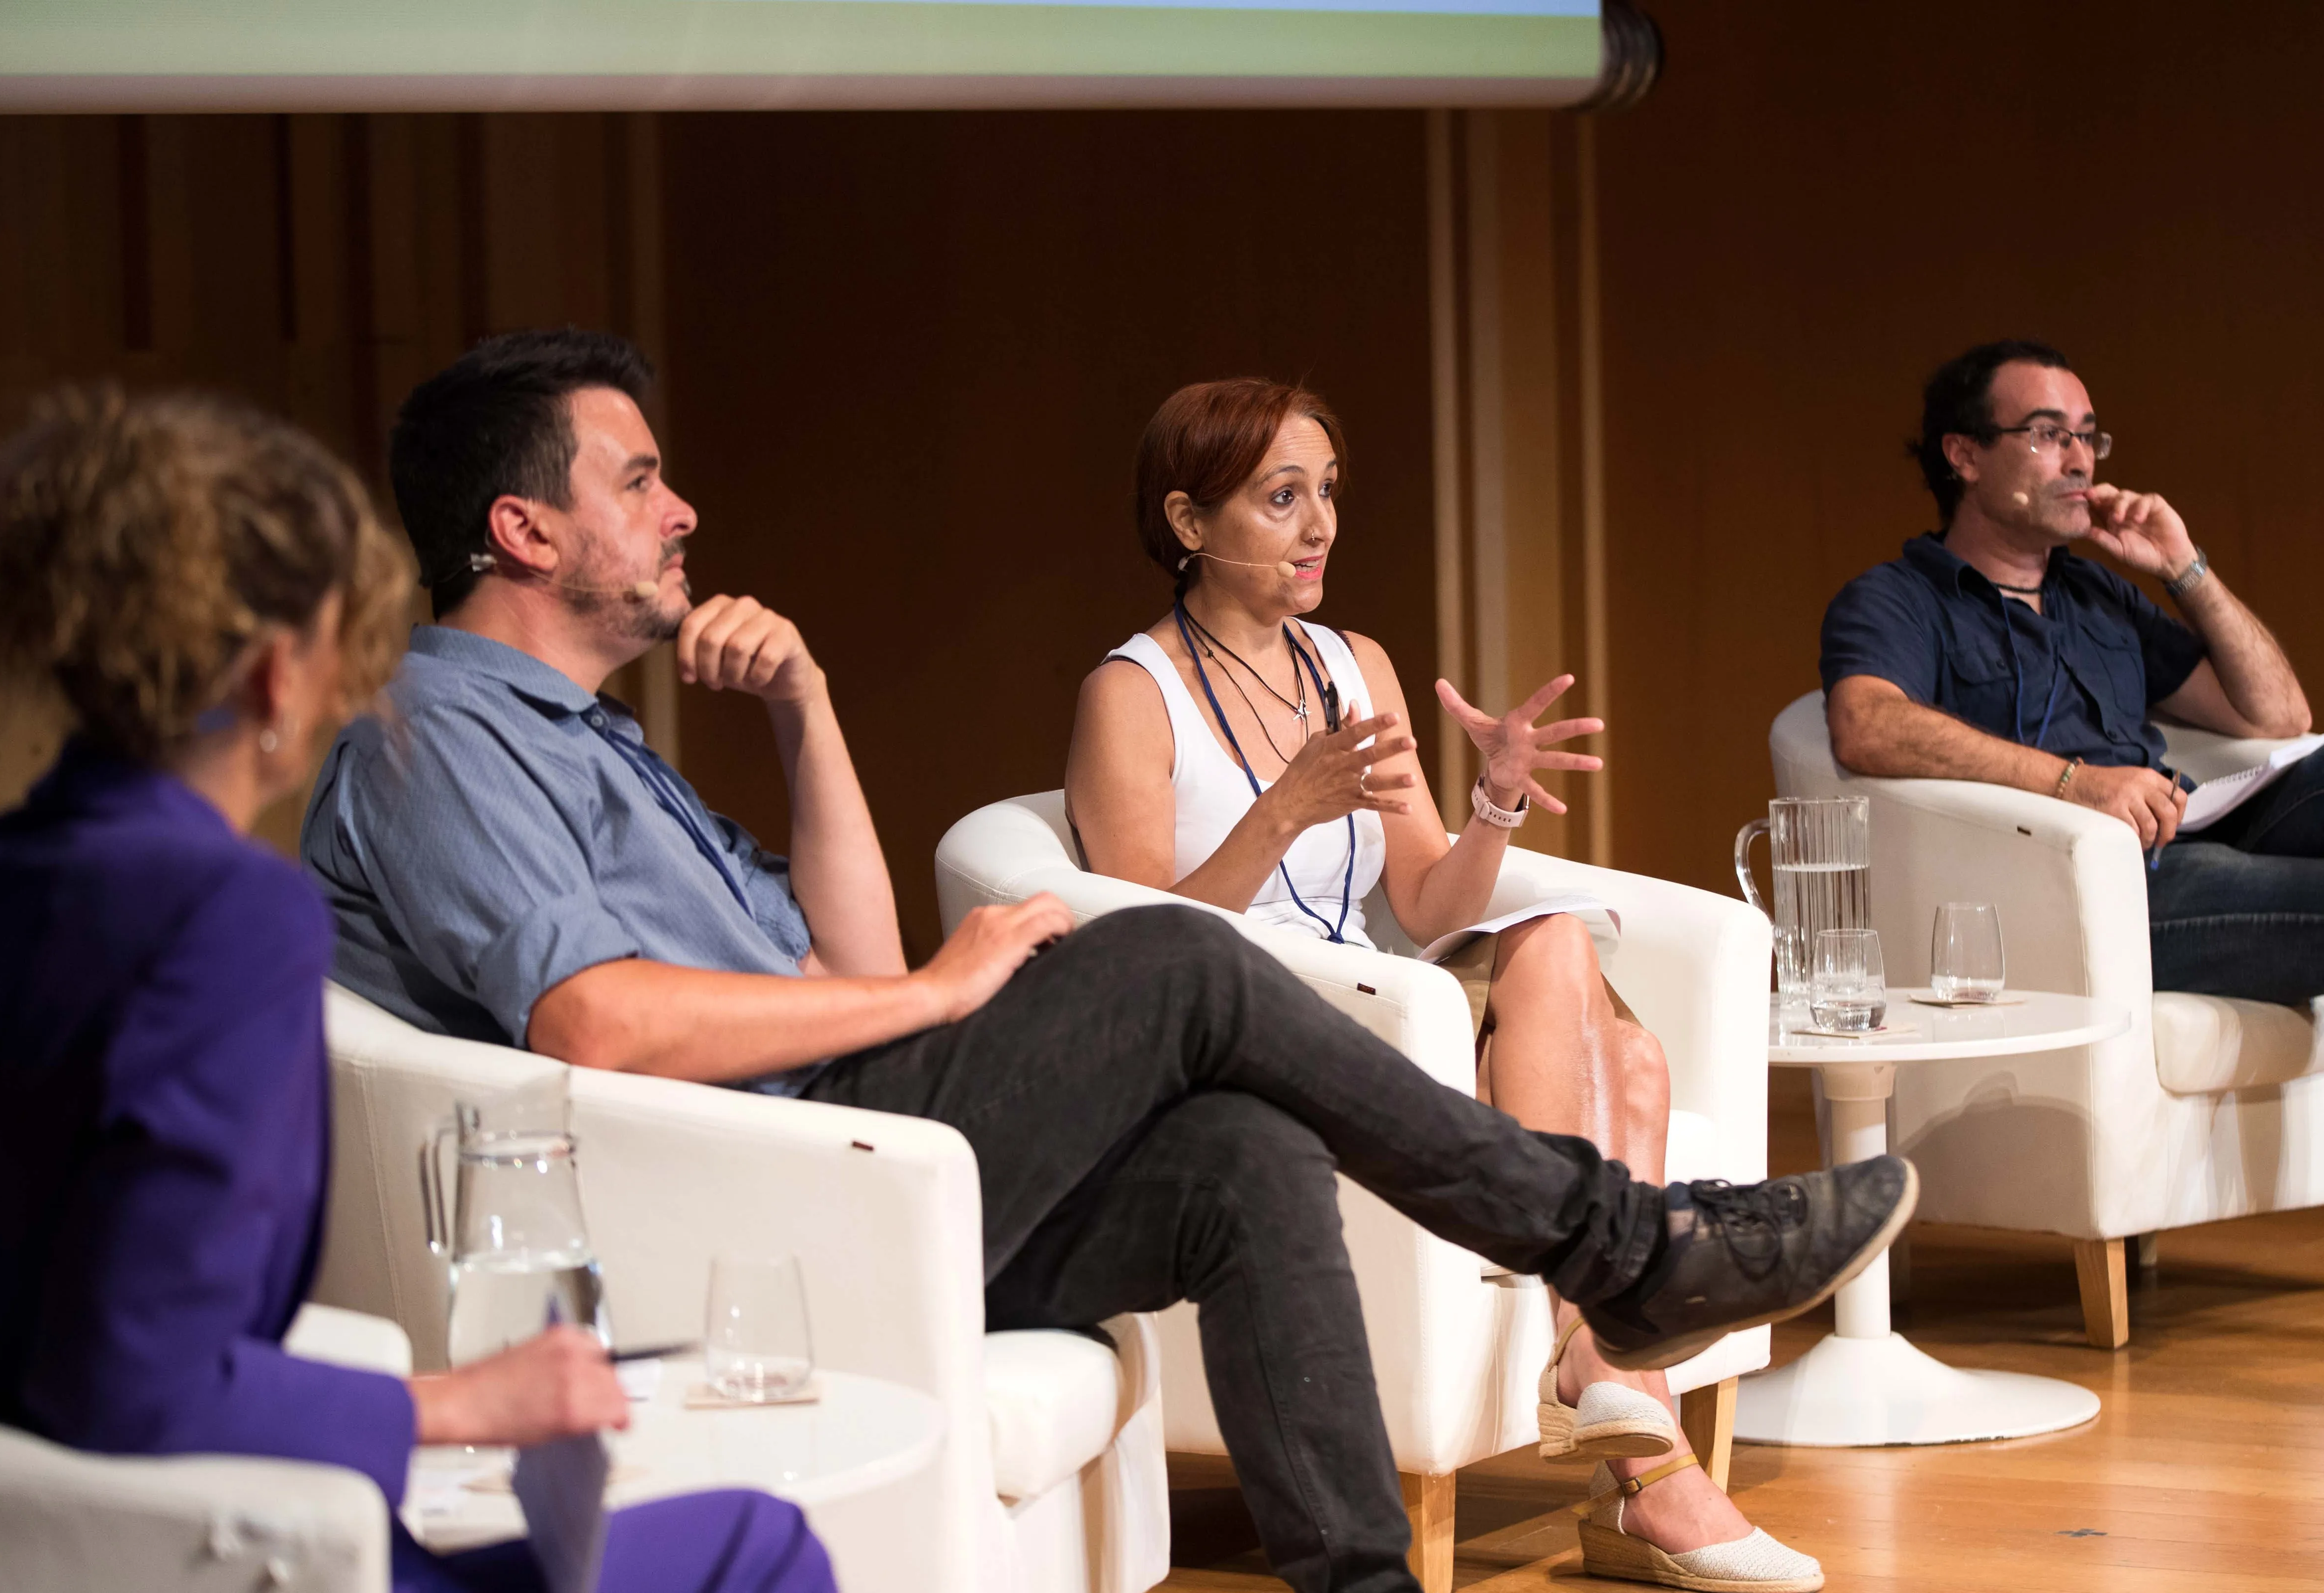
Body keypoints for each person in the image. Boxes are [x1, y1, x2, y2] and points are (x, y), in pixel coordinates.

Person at [300, 328, 1917, 1593]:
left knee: (1243, 1155)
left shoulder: (596, 742)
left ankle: (1362, 1574)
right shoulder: (434, 733)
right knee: (1171, 963)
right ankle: (1627, 1253)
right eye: (640, 480)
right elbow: (596, 1020)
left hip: (848, 1150)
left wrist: (806, 712)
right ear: (520, 527)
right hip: (752, 1197)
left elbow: (844, 948)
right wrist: (943, 995)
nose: (684, 511)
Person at [0, 387, 836, 1593]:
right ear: (276, 675)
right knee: (756, 1543)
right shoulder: (225, 917)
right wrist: (461, 1400)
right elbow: (128, 1369)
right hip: (210, 1546)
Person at [1062, 377, 1817, 1591]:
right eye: (1281, 498)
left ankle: (1612, 1390)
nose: (1320, 529)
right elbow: (1147, 945)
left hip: (1381, 994)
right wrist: (1280, 813)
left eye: (1327, 495)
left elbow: (1424, 902)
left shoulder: (1348, 664)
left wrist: (1493, 806)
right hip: (1253, 1026)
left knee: (1596, 1001)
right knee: (1614, 1045)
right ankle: (1630, 1420)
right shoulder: (1129, 693)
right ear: (1190, 522)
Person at [1820, 338, 2324, 1366]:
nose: (2080, 460)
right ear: (1963, 455)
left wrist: (2183, 568)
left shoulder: (2099, 598)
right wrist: (2076, 785)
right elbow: (1864, 726)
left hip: (2184, 851)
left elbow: (2278, 714)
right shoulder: (1897, 598)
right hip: (2076, 903)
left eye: (2088, 435)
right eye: (2047, 434)